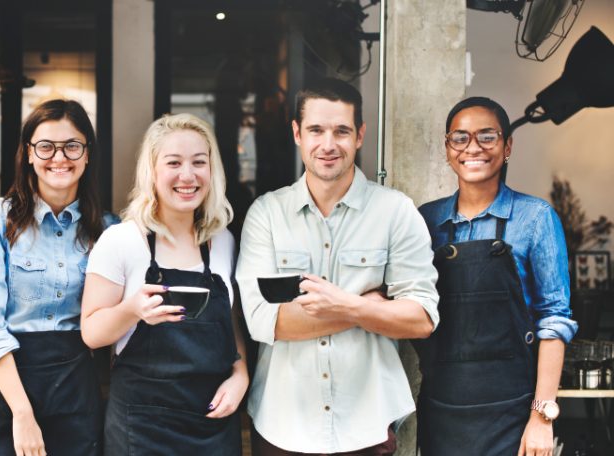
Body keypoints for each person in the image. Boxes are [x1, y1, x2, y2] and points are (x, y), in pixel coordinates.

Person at [235, 78, 440, 455]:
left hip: (366, 425)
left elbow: (422, 318)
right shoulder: (266, 214)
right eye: (316, 130)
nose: (328, 145)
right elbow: (263, 321)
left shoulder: (396, 212)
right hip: (283, 425)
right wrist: (371, 307)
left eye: (341, 131)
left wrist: (345, 305)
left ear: (360, 135)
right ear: (297, 133)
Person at [416, 97, 578, 456]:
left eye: (487, 137)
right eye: (460, 137)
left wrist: (542, 417)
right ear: (447, 148)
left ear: (507, 146)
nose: (473, 147)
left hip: (514, 410)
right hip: (442, 408)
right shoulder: (426, 221)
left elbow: (554, 320)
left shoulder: (536, 218)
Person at [80, 113, 249, 455]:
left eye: (199, 163)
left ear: (212, 171)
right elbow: (91, 332)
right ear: (152, 172)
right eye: (174, 163)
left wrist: (240, 374)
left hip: (212, 422)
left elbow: (229, 323)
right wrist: (132, 310)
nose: (188, 175)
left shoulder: (223, 241)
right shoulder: (121, 241)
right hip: (142, 427)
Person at [0, 99, 116, 456]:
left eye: (72, 146)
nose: (59, 157)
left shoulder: (109, 231)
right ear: (29, 154)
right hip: (8, 390)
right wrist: (22, 413)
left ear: (87, 154)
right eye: (46, 146)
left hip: (76, 389)